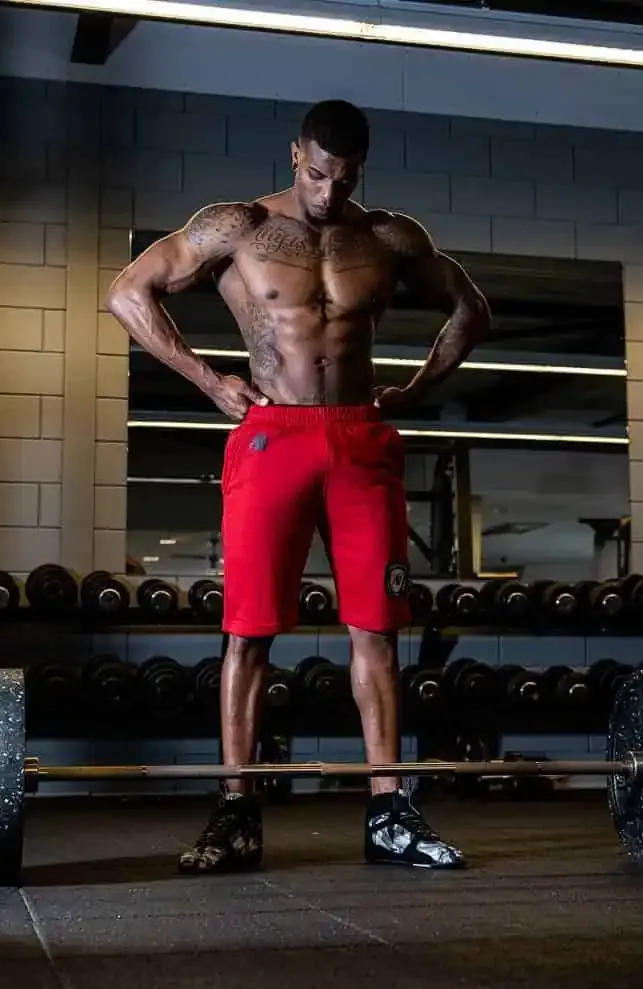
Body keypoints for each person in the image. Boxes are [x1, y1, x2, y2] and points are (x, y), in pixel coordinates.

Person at [106, 99, 491, 874]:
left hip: (360, 438)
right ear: (295, 155)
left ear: (360, 171)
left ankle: (388, 810)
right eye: (317, 174)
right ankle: (236, 811)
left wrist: (418, 387)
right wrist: (207, 379)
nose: (327, 191)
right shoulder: (238, 226)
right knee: (248, 630)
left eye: (343, 179)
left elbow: (470, 309)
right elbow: (127, 292)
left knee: (377, 628)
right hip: (271, 434)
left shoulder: (386, 236)